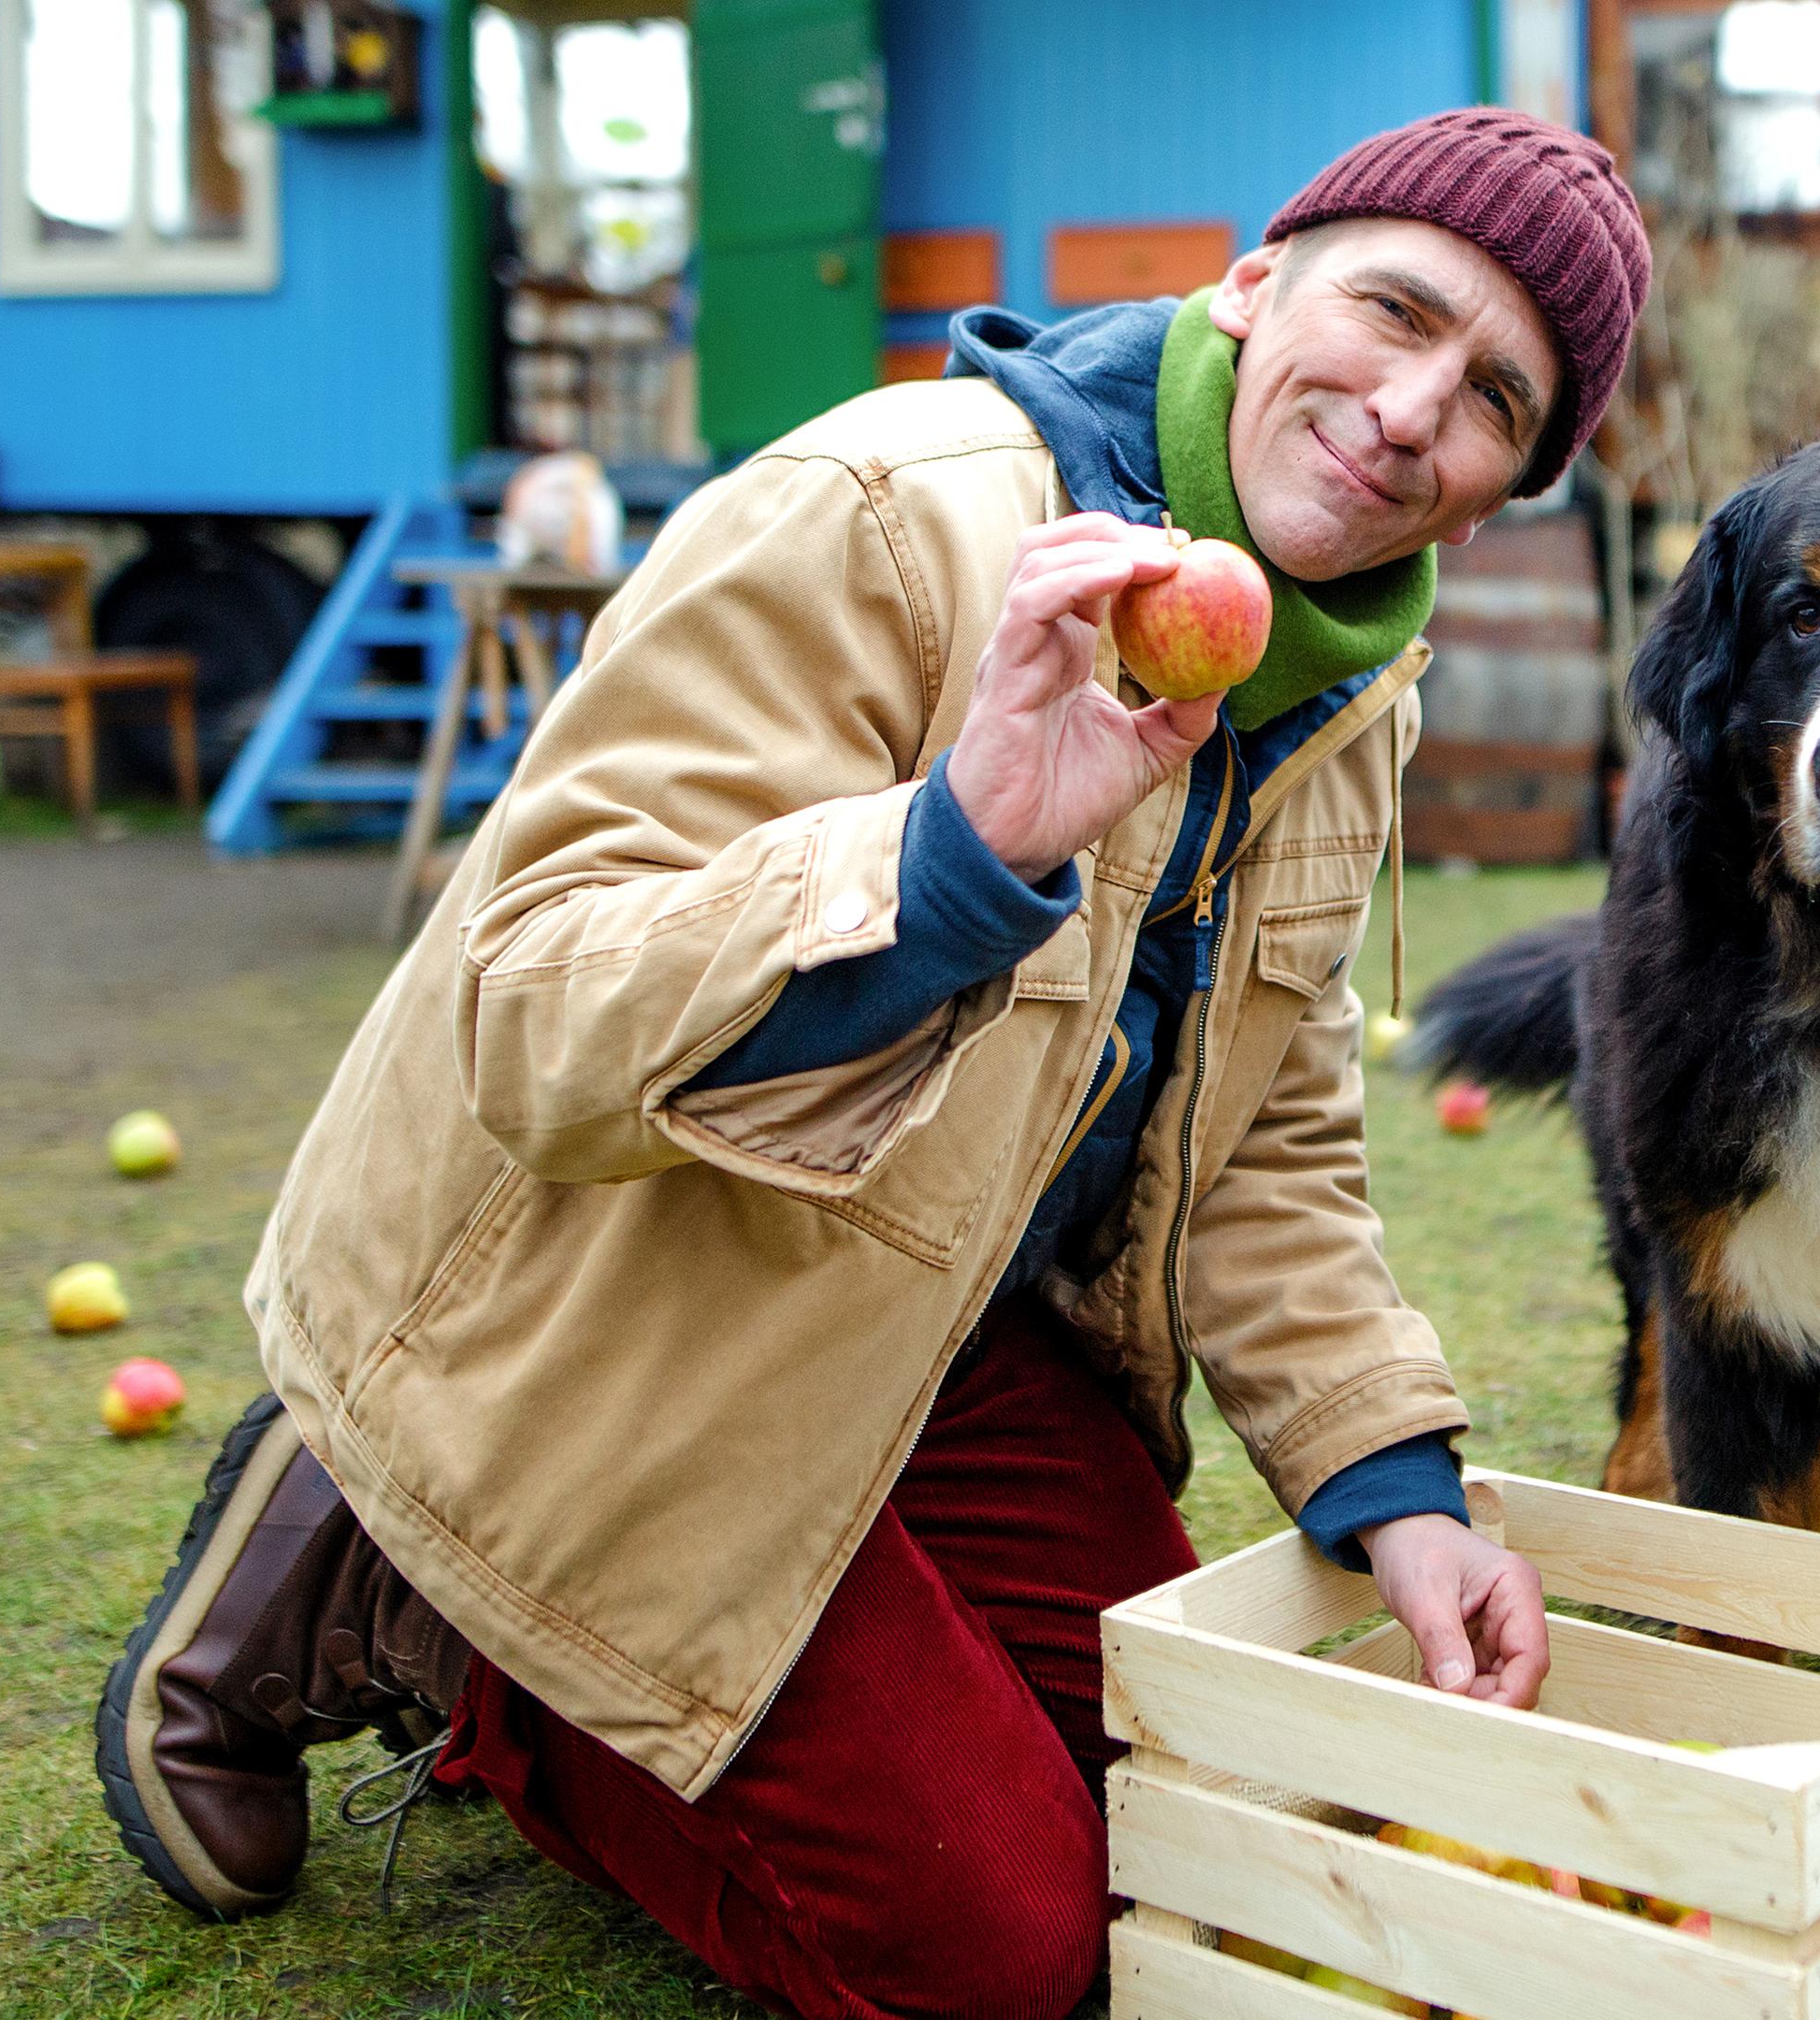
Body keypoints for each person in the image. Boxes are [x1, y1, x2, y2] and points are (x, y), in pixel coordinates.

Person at [94, 108, 1649, 2020]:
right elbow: (529, 1011)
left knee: (1197, 1794)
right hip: (632, 1304)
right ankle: (439, 1609)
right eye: (1392, 311)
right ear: (1252, 288)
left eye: (1492, 394)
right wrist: (951, 858)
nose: (1413, 407)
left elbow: (1268, 1144)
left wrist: (1397, 1485)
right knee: (993, 1961)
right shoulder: (886, 519)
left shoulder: (1342, 694)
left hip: (927, 1316)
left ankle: (552, 1604)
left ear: (1503, 490)